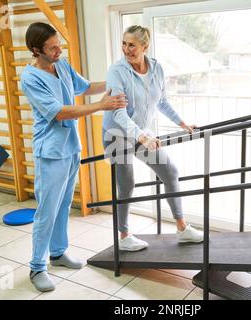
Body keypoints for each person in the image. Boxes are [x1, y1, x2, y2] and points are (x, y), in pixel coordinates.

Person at [21, 22, 127, 292]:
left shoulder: (62, 63)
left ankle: (57, 253)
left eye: (59, 45)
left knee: (65, 204)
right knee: (47, 210)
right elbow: (59, 112)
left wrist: (116, 81)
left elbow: (85, 86)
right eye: (53, 47)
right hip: (50, 152)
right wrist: (101, 106)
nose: (59, 50)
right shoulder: (30, 77)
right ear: (36, 50)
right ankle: (37, 267)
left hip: (70, 147)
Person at [103, 25, 203, 252]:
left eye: (132, 45)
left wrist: (182, 123)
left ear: (144, 46)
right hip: (117, 134)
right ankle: (125, 235)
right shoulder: (116, 71)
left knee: (170, 172)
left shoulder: (156, 68)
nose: (126, 49)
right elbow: (118, 111)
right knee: (126, 184)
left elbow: (162, 100)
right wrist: (142, 136)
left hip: (142, 135)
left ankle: (181, 228)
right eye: (124, 43)